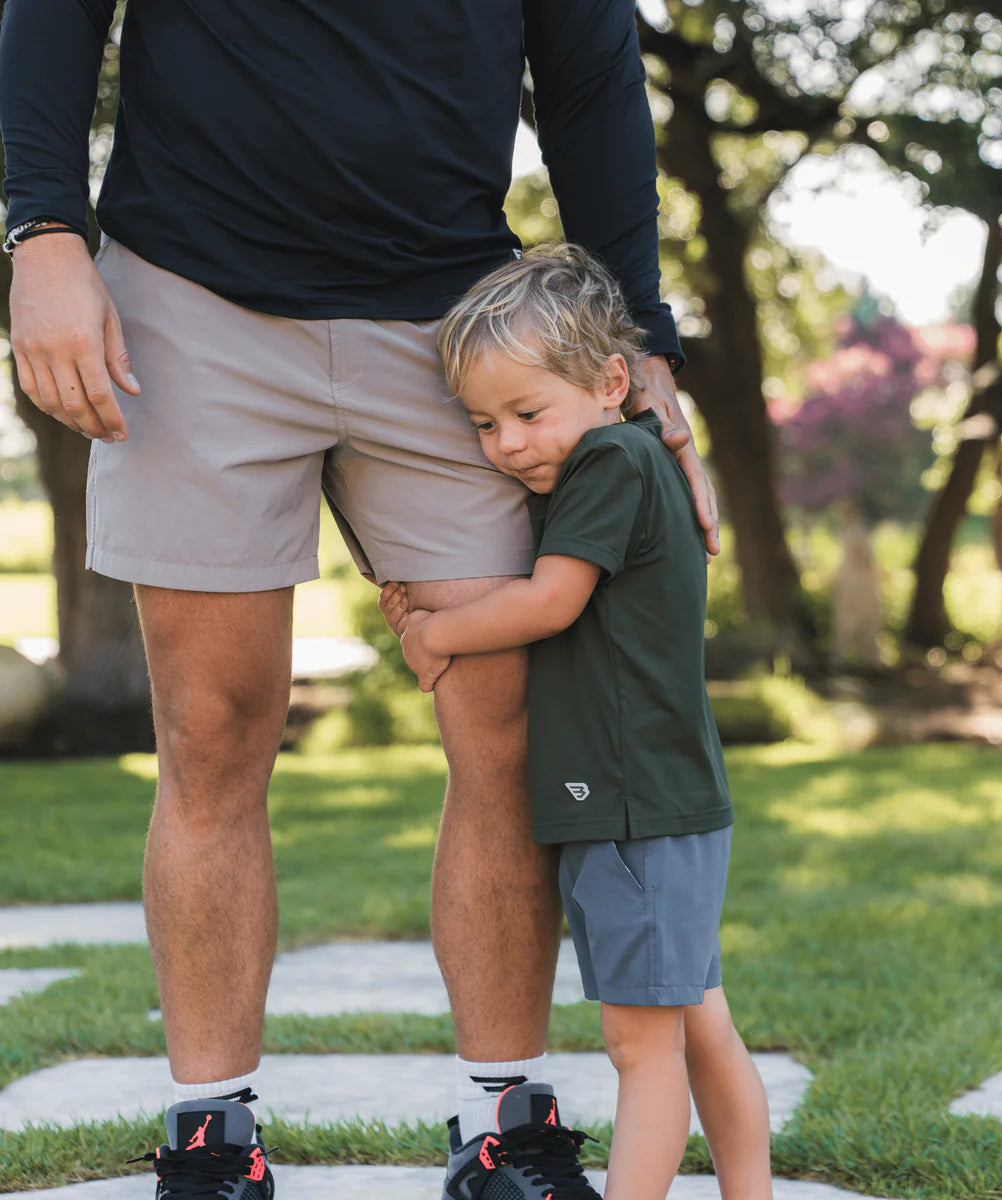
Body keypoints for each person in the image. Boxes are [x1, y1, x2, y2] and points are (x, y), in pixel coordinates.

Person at [0, 4, 719, 1199]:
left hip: (455, 331)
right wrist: (41, 230)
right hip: (189, 301)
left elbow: (591, 77)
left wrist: (636, 333)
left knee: (507, 723)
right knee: (212, 731)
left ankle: (505, 1126)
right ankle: (211, 1137)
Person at [380, 245, 771, 1200]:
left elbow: (550, 603)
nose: (507, 443)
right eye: (484, 424)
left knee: (643, 1050)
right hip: (665, 796)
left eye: (525, 413)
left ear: (609, 383)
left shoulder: (606, 458)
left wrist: (436, 632)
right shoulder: (626, 457)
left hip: (631, 804)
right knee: (698, 1021)